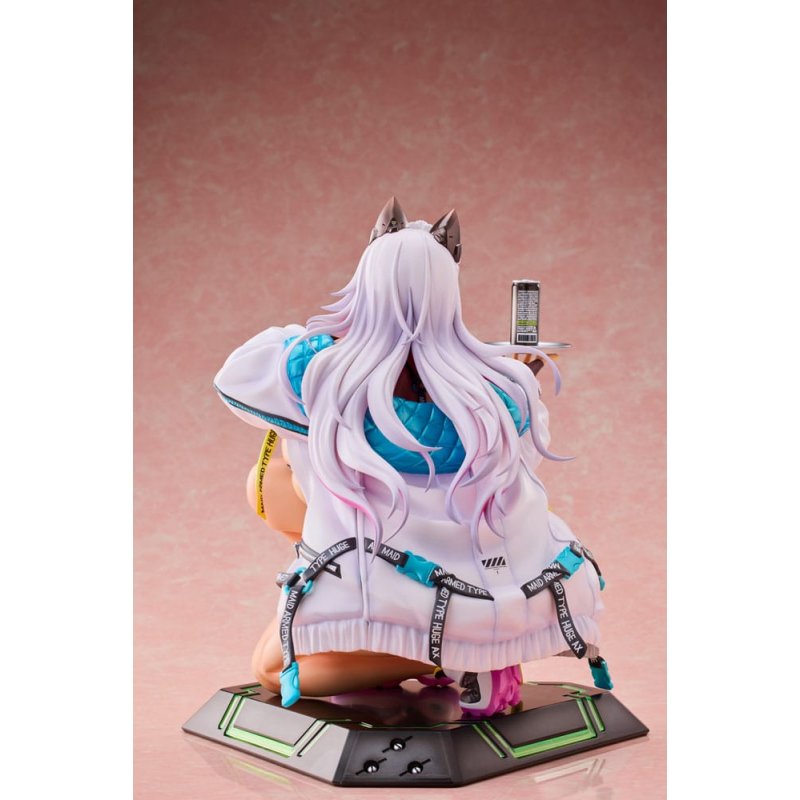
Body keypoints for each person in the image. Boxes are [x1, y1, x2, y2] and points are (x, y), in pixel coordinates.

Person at [214, 198, 608, 716]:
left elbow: (238, 375)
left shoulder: (322, 374)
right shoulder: (500, 389)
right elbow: (525, 468)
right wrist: (508, 369)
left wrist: (332, 334)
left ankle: (445, 658)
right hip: (489, 582)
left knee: (271, 668)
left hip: (387, 575)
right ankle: (469, 652)